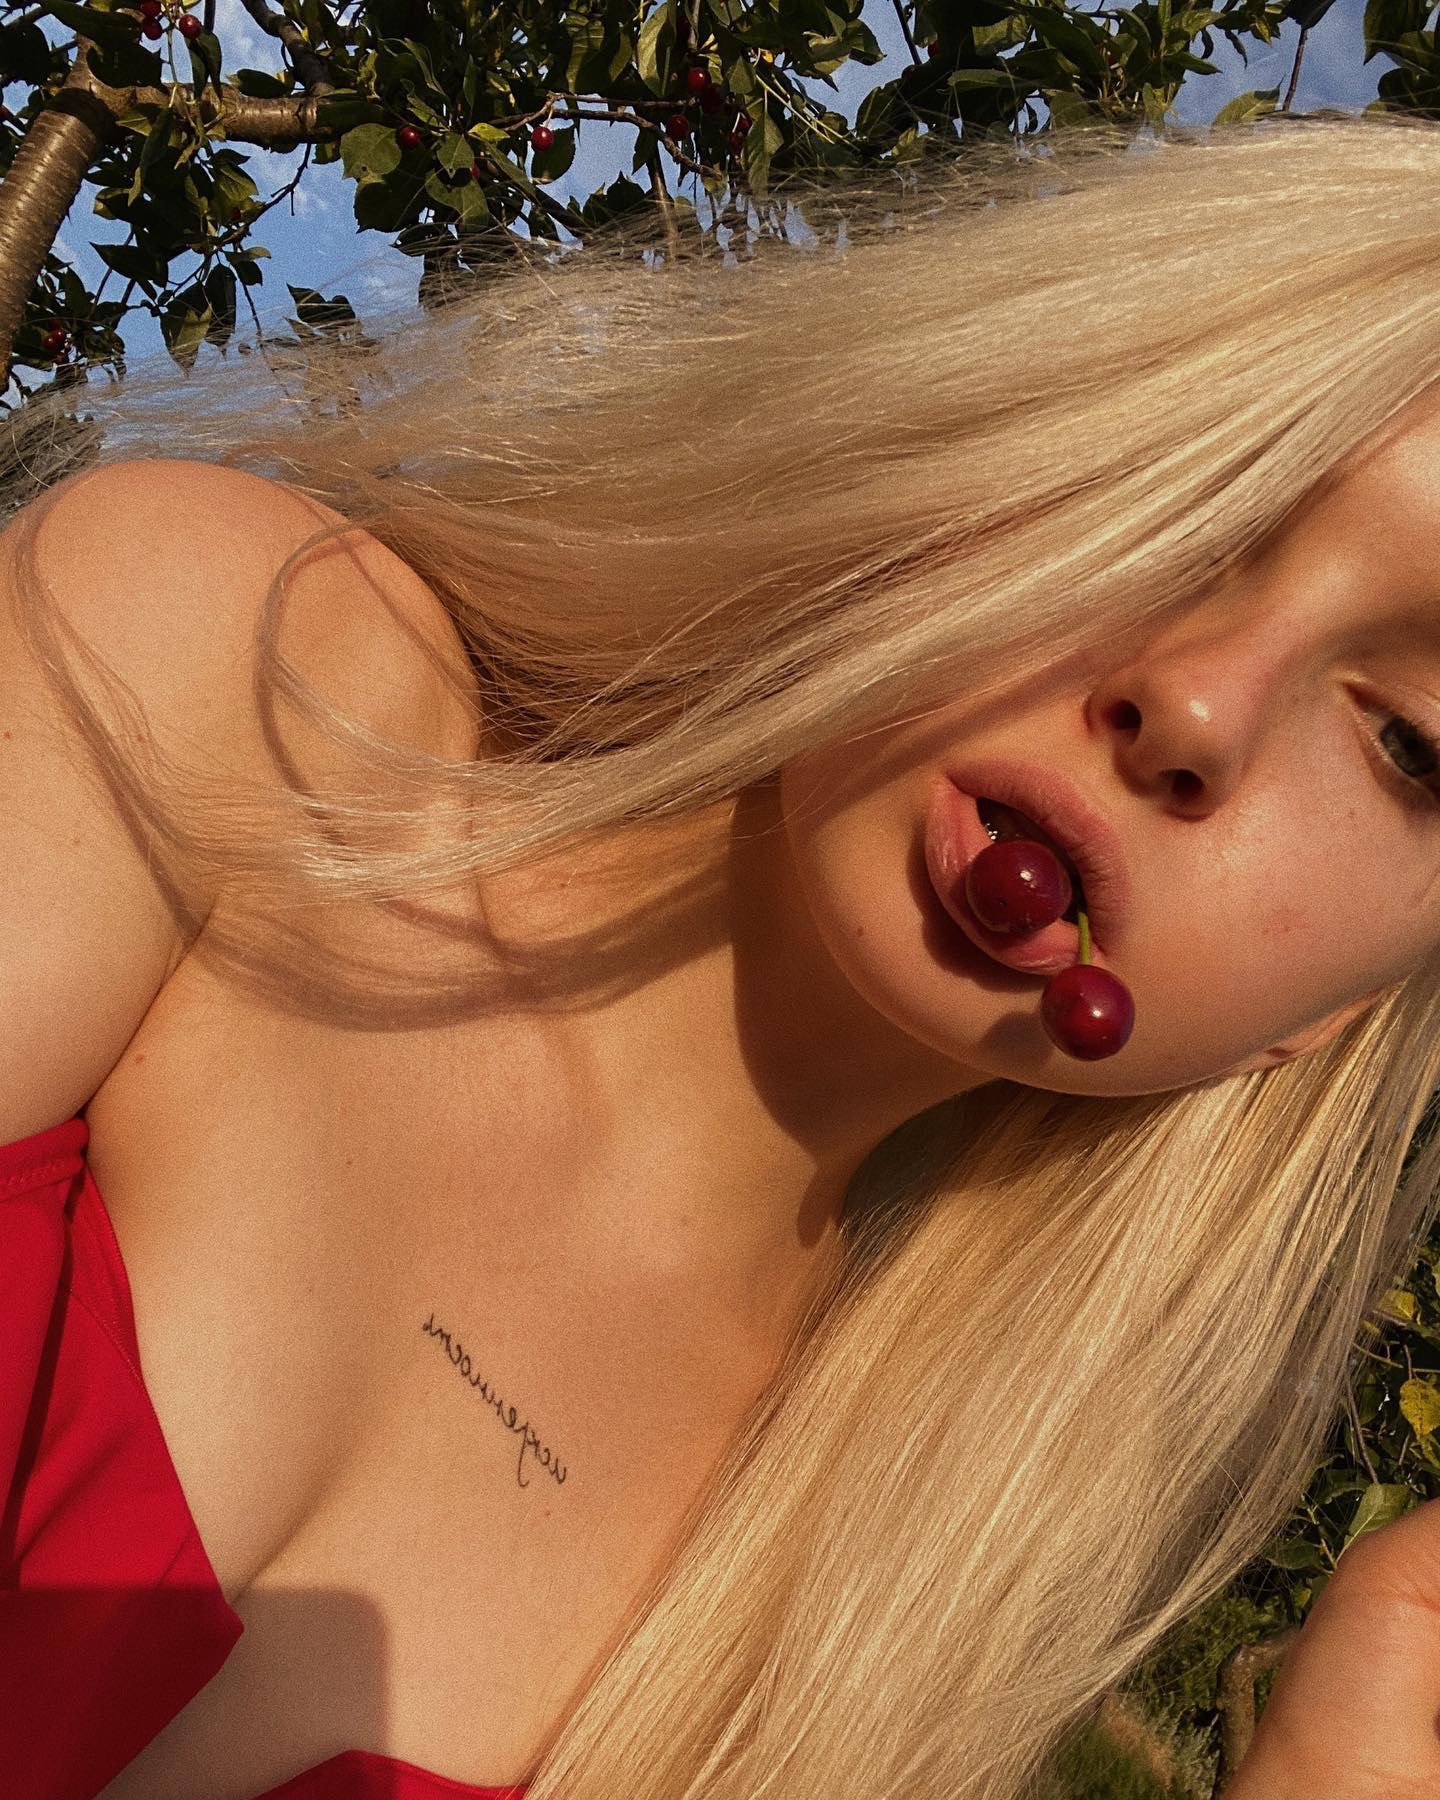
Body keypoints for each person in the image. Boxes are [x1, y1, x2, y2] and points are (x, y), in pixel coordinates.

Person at [3, 107, 1440, 1800]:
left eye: (1411, 743)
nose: (1193, 707)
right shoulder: (251, 692)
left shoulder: (871, 1631)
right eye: (1189, 501)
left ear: (1331, 1015)